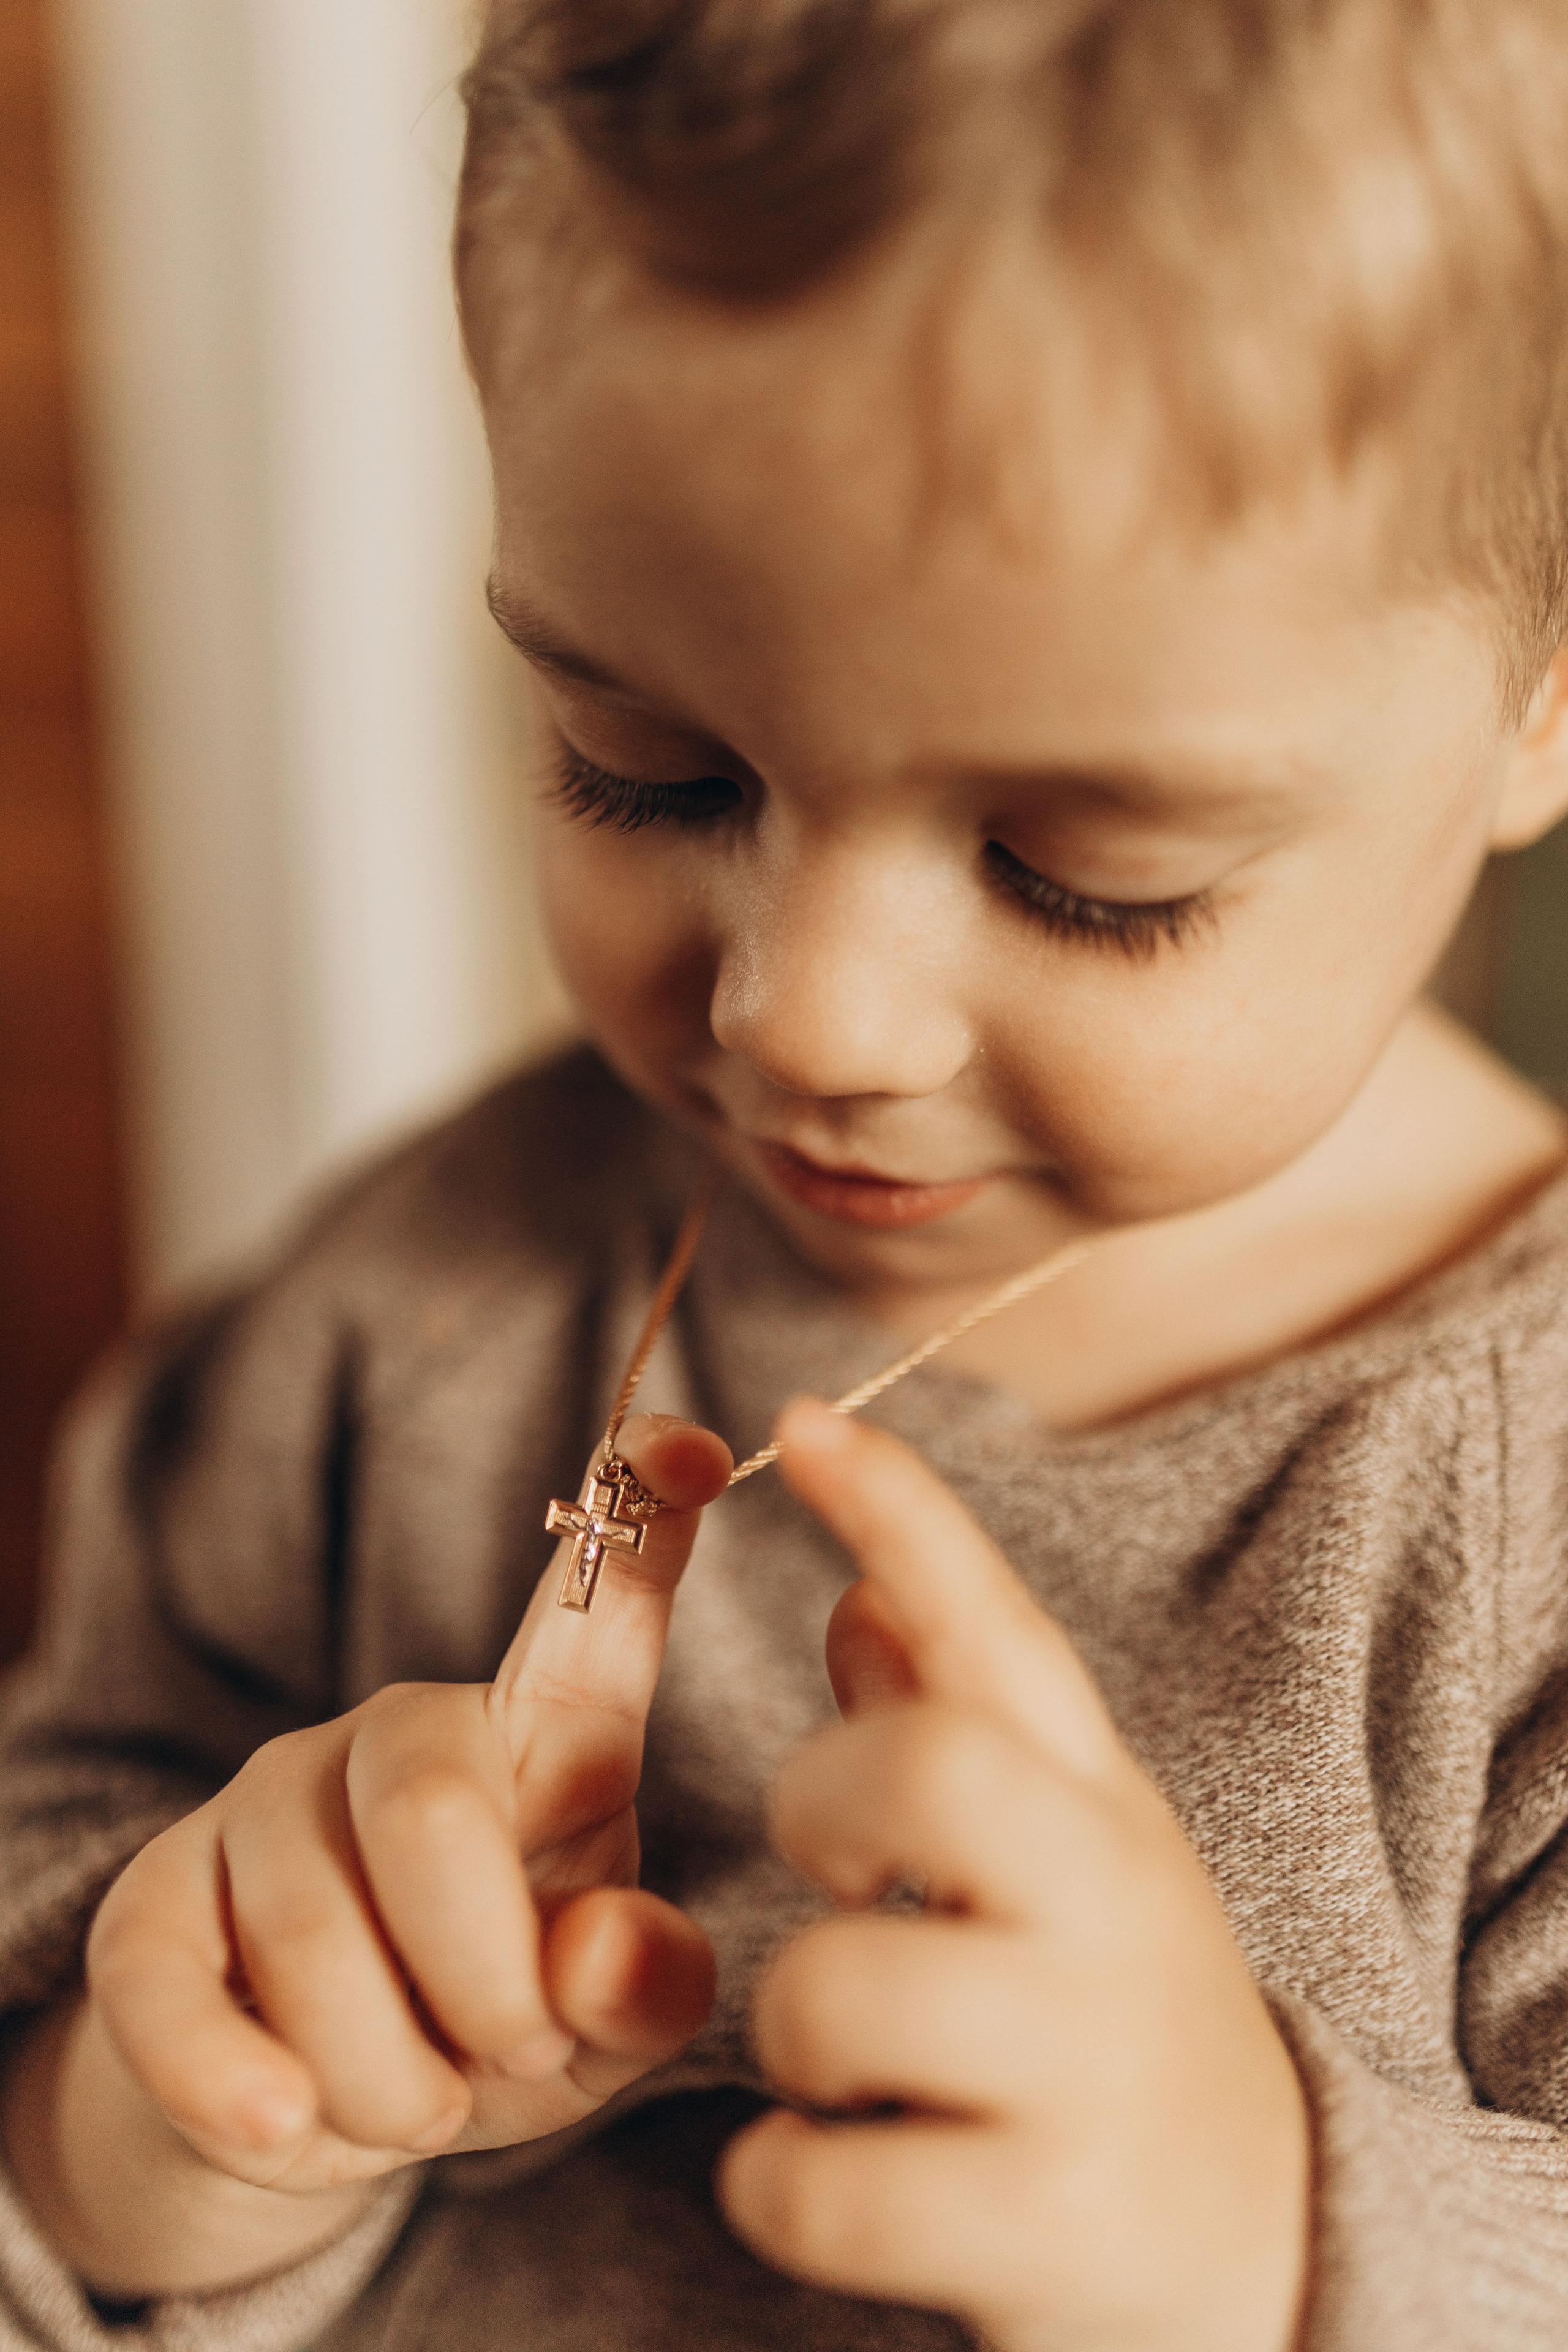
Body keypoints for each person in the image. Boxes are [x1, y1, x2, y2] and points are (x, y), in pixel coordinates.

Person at [4, 2, 1568, 2345]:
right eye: (645, 766)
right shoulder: (401, 1319)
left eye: (1087, 877)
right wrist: (154, 2119)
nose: (805, 1019)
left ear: (1540, 691)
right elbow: (55, 1919)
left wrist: (1275, 2232)